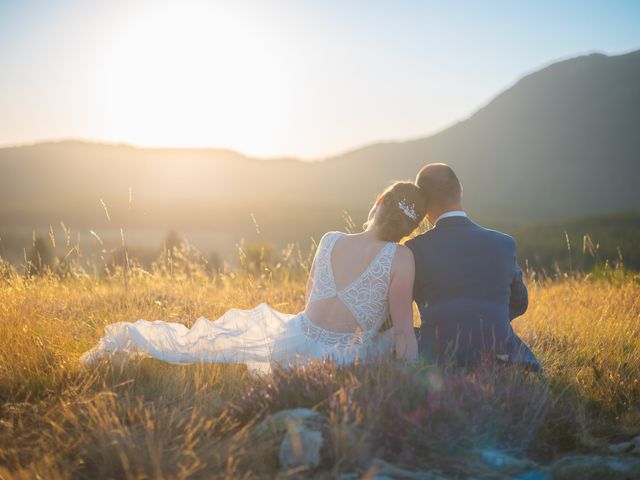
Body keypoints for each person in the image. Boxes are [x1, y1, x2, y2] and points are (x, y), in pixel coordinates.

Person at [81, 182, 426, 371]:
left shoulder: (330, 239)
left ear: (379, 201)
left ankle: (132, 341)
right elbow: (401, 330)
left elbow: (310, 299)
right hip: (344, 359)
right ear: (410, 228)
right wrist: (409, 378)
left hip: (295, 339)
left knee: (196, 348)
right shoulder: (402, 257)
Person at [406, 163, 541, 371]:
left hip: (439, 355)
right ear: (460, 189)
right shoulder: (504, 243)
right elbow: (520, 302)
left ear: (424, 203)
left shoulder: (415, 248)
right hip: (499, 351)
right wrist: (484, 321)